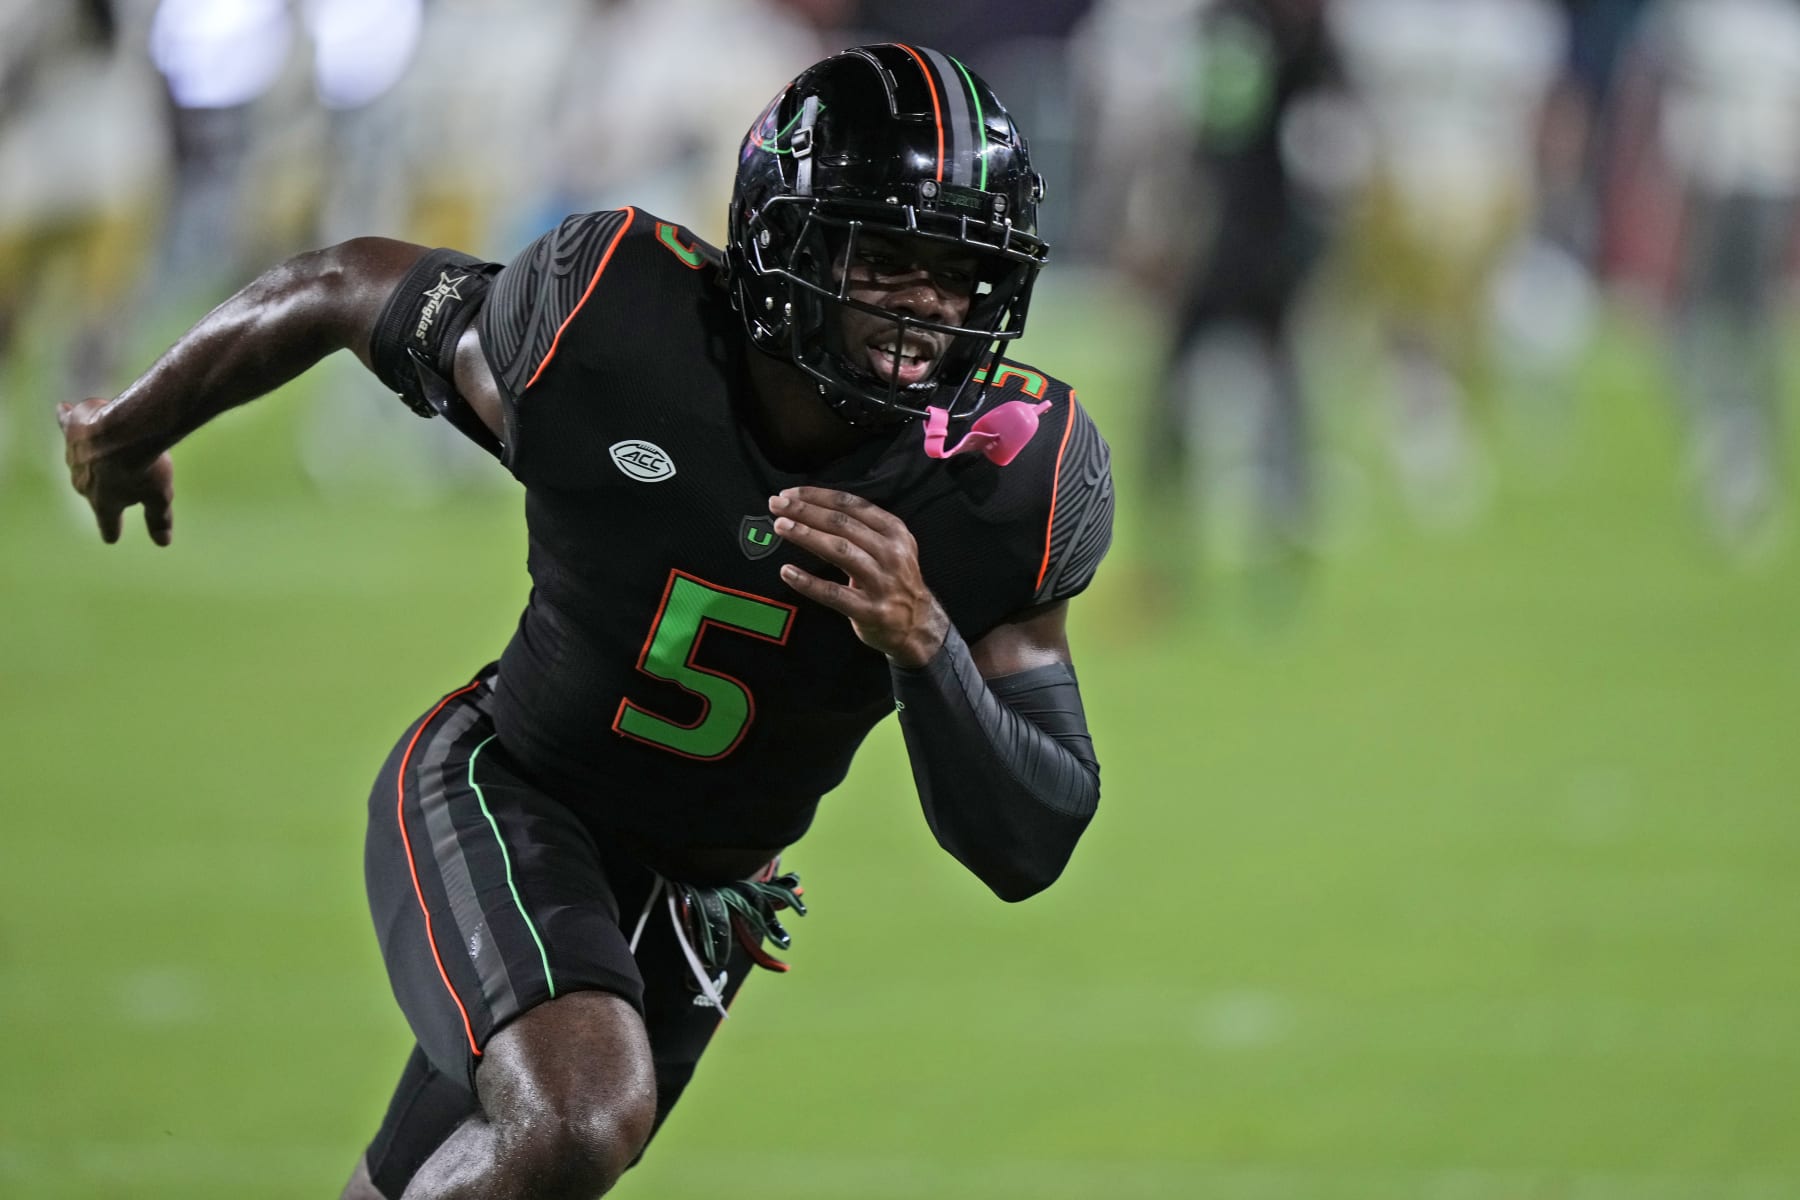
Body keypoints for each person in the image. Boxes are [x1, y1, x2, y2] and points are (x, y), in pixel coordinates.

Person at [58, 44, 1114, 1200]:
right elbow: (342, 286)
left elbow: (1034, 837)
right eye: (889, 261)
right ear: (791, 244)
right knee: (574, 1117)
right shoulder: (617, 331)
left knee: (481, 1165)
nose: (929, 308)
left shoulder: (1012, 480)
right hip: (510, 788)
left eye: (960, 270)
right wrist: (123, 428)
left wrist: (926, 647)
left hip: (703, 908)